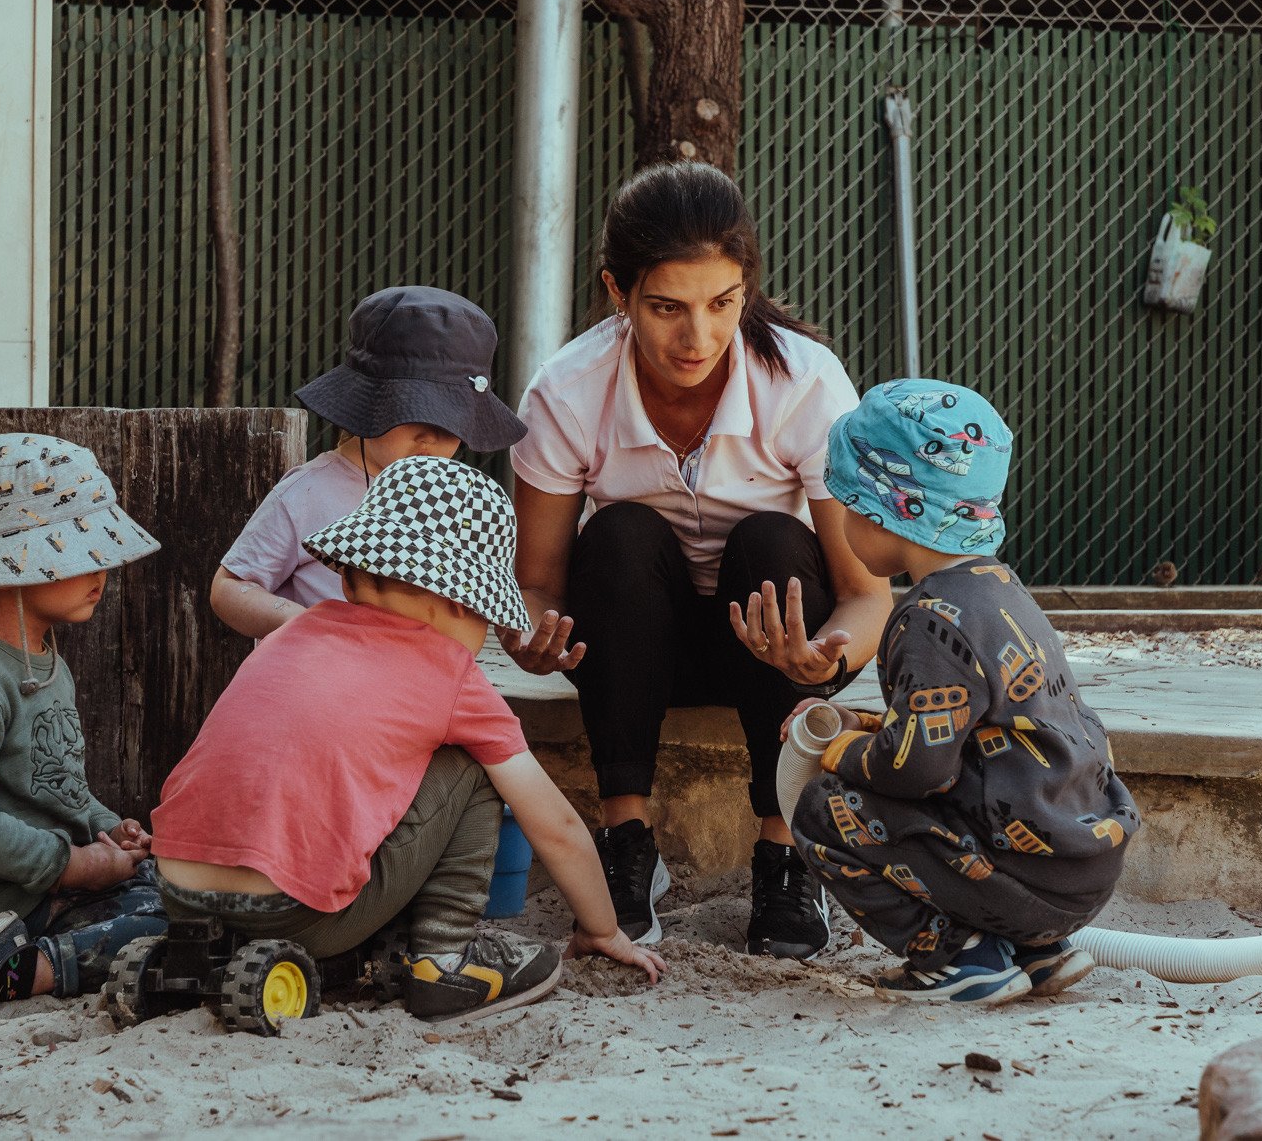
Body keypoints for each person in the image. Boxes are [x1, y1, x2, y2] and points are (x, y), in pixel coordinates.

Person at [504, 162, 894, 960]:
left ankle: (785, 853)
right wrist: (531, 632)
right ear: (618, 292)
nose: (698, 338)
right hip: (633, 648)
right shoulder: (566, 392)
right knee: (618, 535)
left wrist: (825, 657)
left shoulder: (805, 383)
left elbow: (866, 597)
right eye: (667, 308)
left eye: (722, 304)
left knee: (772, 542)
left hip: (774, 649)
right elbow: (538, 580)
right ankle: (626, 846)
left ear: (746, 286)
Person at [152, 457, 665, 1026]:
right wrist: (602, 929)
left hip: (178, 891)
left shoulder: (293, 630)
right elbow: (558, 829)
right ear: (459, 603)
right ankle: (445, 960)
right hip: (293, 915)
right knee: (475, 768)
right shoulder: (450, 672)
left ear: (349, 576)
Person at [785, 380, 1141, 1005]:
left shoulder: (930, 619)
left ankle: (960, 960)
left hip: (1024, 875)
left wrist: (838, 751)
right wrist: (866, 725)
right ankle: (1037, 953)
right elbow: (974, 730)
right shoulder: (1000, 591)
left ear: (881, 509)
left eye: (845, 505)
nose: (839, 523)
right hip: (1078, 863)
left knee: (823, 810)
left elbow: (918, 768)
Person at [0, 434, 169, 1017]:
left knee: (188, 894)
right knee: (168, 920)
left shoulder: (43, 654)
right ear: (13, 562)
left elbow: (56, 783)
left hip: (48, 892)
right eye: (80, 551)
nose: (102, 568)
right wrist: (75, 865)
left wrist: (106, 829)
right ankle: (11, 975)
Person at [210, 285, 526, 639]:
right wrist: (299, 621)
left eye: (452, 424)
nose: (432, 437)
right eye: (417, 414)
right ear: (369, 402)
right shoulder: (309, 491)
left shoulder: (455, 500)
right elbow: (230, 586)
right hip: (324, 674)